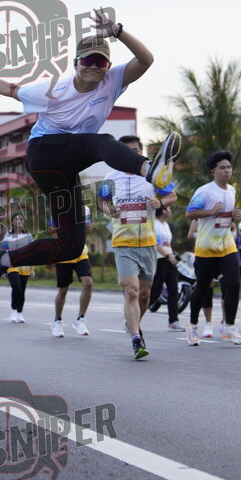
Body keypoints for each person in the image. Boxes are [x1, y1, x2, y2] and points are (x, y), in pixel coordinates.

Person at [0, 10, 181, 300]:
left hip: (67, 168)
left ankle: (4, 259)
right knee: (102, 142)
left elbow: (146, 60)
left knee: (70, 247)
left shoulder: (113, 81)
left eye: (101, 62)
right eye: (88, 60)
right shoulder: (52, 89)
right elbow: (12, 90)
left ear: (108, 67)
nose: (94, 66)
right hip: (43, 154)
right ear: (76, 63)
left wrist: (118, 32)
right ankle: (148, 169)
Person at [99, 135, 177, 359]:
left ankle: (132, 323)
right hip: (123, 243)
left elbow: (172, 195)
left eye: (135, 150)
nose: (131, 155)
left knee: (145, 295)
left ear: (141, 153)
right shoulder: (110, 177)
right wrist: (109, 210)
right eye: (126, 151)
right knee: (131, 290)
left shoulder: (152, 175)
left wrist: (160, 202)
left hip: (148, 244)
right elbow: (101, 201)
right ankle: (136, 338)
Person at [185, 151, 241, 346]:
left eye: (229, 167)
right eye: (222, 168)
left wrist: (235, 216)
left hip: (227, 245)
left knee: (234, 284)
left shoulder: (232, 191)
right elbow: (189, 213)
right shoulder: (205, 191)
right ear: (213, 171)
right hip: (206, 247)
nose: (227, 171)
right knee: (202, 287)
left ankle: (230, 326)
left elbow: (227, 218)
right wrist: (210, 211)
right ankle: (192, 326)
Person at [52, 206, 93, 337]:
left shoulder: (85, 208)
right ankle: (57, 321)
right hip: (63, 253)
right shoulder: (59, 207)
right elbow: (51, 230)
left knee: (88, 282)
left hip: (81, 252)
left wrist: (85, 225)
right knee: (63, 290)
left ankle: (80, 319)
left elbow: (89, 229)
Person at [149, 205, 185, 332]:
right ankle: (135, 312)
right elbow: (154, 243)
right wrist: (167, 255)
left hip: (170, 259)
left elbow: (167, 244)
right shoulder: (154, 224)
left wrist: (172, 255)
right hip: (160, 259)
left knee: (173, 290)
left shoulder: (166, 225)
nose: (170, 211)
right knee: (156, 290)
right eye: (169, 209)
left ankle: (173, 322)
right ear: (163, 211)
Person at [3, 213, 34, 324]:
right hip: (12, 266)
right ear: (12, 222)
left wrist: (32, 269)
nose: (19, 221)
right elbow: (3, 252)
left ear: (23, 222)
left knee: (22, 290)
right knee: (16, 287)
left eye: (21, 219)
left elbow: (32, 253)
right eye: (16, 219)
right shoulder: (8, 235)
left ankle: (19, 312)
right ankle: (14, 309)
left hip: (25, 266)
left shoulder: (28, 236)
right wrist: (3, 269)